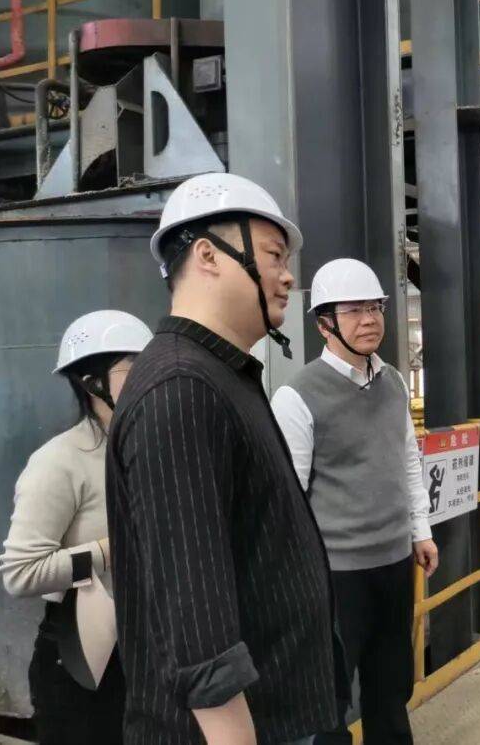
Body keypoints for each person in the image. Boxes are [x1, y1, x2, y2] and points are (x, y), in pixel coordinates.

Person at [105, 172, 339, 745]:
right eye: (274, 255)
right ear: (208, 255)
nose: (288, 276)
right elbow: (194, 617)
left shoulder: (221, 376)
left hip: (278, 714)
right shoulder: (181, 389)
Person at [271, 258, 438, 745]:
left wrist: (420, 532)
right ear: (324, 324)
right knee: (330, 696)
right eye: (353, 310)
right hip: (336, 574)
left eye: (375, 307)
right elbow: (290, 500)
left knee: (392, 686)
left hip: (394, 563)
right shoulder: (297, 396)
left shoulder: (394, 382)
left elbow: (407, 460)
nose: (369, 320)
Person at [0, 309, 152, 745]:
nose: (150, 380)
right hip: (83, 658)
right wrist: (107, 551)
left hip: (150, 649)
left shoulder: (152, 448)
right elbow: (20, 573)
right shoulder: (60, 460)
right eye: (133, 369)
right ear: (91, 382)